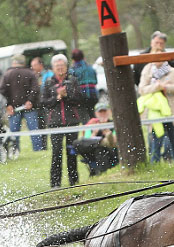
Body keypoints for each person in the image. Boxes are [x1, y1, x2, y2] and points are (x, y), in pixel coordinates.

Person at [42, 54, 83, 188]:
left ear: (66, 67)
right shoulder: (48, 82)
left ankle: (73, 181)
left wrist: (67, 96)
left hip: (72, 121)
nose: (60, 68)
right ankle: (55, 183)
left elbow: (78, 99)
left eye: (62, 66)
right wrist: (58, 97)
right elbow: (44, 103)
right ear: (53, 68)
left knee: (71, 151)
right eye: (57, 66)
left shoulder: (73, 80)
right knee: (57, 152)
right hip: (55, 122)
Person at [138, 53, 174, 164]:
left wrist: (165, 87)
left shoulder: (172, 71)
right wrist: (156, 87)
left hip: (170, 110)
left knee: (173, 138)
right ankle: (155, 163)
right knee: (156, 139)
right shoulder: (147, 70)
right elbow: (142, 89)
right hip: (155, 111)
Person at [0, 54, 44, 156]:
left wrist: (8, 104)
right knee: (34, 130)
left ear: (14, 62)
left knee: (15, 133)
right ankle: (38, 151)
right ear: (23, 62)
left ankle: (15, 151)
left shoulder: (7, 74)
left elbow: (1, 91)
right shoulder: (30, 73)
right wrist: (30, 101)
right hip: (29, 107)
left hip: (13, 108)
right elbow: (35, 89)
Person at [72, 101, 119, 176]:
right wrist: (94, 133)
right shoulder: (92, 124)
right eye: (100, 112)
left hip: (110, 152)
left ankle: (100, 173)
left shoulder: (113, 124)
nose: (103, 114)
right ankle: (102, 142)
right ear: (96, 113)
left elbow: (115, 142)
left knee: (100, 150)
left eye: (105, 111)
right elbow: (86, 141)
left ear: (109, 112)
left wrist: (107, 132)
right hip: (91, 152)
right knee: (76, 143)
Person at [30, 57, 54, 151]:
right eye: (32, 66)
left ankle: (52, 144)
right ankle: (43, 146)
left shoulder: (49, 74)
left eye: (34, 65)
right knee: (40, 125)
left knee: (50, 123)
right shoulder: (33, 76)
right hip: (38, 105)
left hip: (48, 103)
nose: (33, 68)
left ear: (41, 65)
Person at [69, 49, 99, 121]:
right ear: (83, 57)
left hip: (81, 96)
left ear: (73, 59)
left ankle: (88, 131)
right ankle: (96, 130)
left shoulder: (73, 70)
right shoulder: (90, 68)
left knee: (84, 118)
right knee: (93, 116)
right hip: (93, 95)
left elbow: (72, 82)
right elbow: (95, 81)